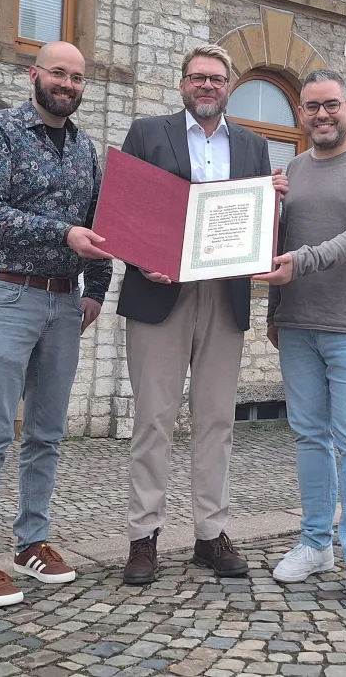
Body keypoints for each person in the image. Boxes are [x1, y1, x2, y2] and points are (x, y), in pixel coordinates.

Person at [116, 44, 288, 585]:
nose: (207, 85)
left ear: (228, 86)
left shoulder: (253, 145)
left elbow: (258, 222)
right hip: (159, 291)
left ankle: (211, 534)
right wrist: (141, 262)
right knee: (154, 418)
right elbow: (124, 210)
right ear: (182, 83)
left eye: (216, 78)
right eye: (197, 77)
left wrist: (273, 201)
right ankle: (143, 536)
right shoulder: (148, 133)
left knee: (216, 419)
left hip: (224, 292)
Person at [0, 41, 113, 607]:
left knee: (47, 433)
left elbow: (101, 223)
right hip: (6, 295)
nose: (67, 84)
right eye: (58, 73)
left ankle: (31, 542)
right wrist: (62, 233)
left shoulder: (86, 149)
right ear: (34, 74)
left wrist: (96, 291)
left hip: (63, 303)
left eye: (77, 77)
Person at [259, 68, 346, 613]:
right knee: (309, 438)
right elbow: (279, 243)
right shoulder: (293, 170)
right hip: (298, 323)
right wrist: (276, 311)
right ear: (301, 113)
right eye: (312, 106)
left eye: (331, 105)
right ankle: (316, 544)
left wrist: (302, 263)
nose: (322, 115)